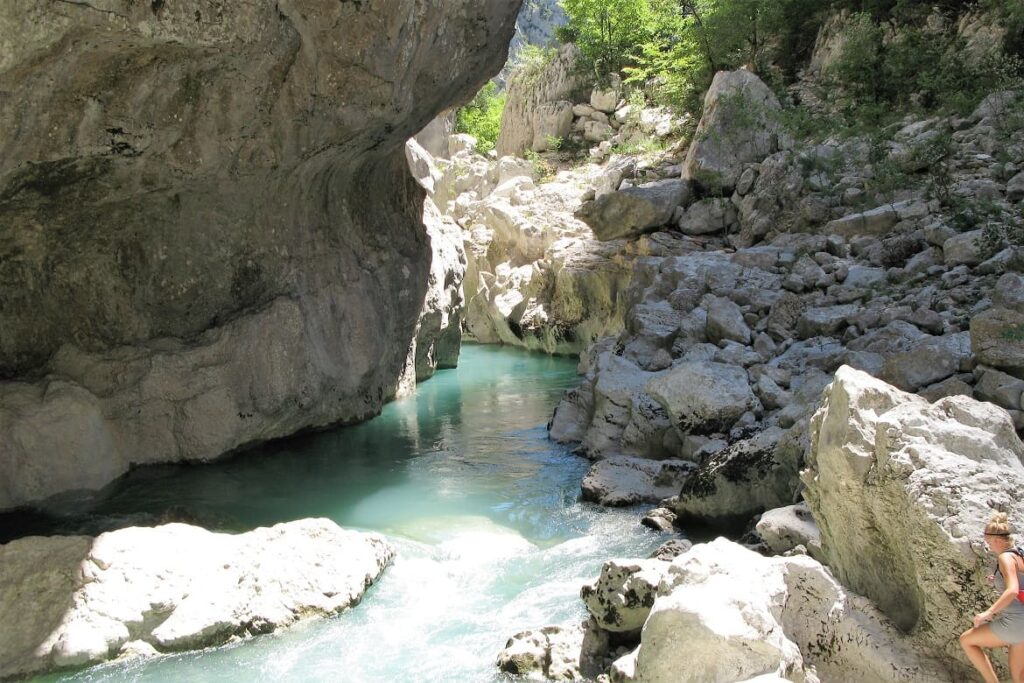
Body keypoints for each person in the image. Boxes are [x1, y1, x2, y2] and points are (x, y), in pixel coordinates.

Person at [960, 512, 1024, 683]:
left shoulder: (1005, 557)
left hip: (1016, 621)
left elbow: (1012, 591)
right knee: (1019, 677)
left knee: (967, 641)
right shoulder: (1019, 554)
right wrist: (996, 580)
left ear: (998, 540)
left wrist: (988, 612)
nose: (989, 547)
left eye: (989, 542)